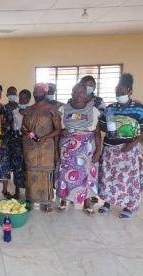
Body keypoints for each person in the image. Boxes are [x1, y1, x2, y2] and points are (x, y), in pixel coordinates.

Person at [98, 73, 143, 219]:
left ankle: (129, 206)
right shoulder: (110, 108)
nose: (119, 95)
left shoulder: (139, 108)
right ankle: (107, 203)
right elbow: (101, 125)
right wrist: (108, 128)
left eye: (122, 92)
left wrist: (132, 144)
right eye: (117, 92)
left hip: (129, 149)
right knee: (108, 177)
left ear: (129, 91)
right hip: (110, 149)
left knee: (128, 178)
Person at [55, 83, 101, 216]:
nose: (78, 94)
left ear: (86, 94)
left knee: (85, 174)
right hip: (67, 147)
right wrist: (57, 151)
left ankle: (86, 203)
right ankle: (64, 201)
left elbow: (97, 132)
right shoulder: (63, 109)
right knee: (65, 174)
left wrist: (98, 150)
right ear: (72, 94)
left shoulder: (93, 110)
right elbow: (59, 131)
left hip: (85, 147)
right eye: (76, 92)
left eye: (81, 92)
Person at [22, 83, 61, 213]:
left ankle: (47, 202)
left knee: (46, 173)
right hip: (31, 147)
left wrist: (44, 138)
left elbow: (58, 129)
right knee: (31, 172)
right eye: (35, 91)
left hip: (46, 148)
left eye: (40, 91)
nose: (37, 93)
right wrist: (27, 133)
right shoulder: (28, 109)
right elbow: (23, 127)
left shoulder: (52, 109)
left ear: (45, 92)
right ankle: (31, 198)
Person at [0, 85, 18, 198]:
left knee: (5, 165)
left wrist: (4, 123)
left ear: (2, 95)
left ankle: (4, 189)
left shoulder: (6, 109)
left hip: (4, 140)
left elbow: (11, 126)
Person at [10, 89, 30, 199]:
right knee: (17, 167)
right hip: (17, 142)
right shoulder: (15, 112)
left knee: (27, 167)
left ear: (29, 99)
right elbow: (14, 125)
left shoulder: (32, 111)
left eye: (25, 98)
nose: (23, 100)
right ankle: (17, 191)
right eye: (21, 98)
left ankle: (28, 192)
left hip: (28, 142)